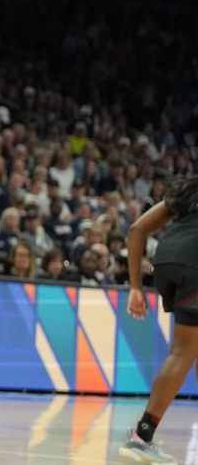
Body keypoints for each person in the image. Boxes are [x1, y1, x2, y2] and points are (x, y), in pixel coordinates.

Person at [120, 176, 198, 464]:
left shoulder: (191, 190)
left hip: (166, 260)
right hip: (195, 262)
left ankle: (142, 437)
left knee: (189, 348)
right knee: (184, 351)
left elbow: (137, 229)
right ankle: (142, 437)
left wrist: (135, 287)